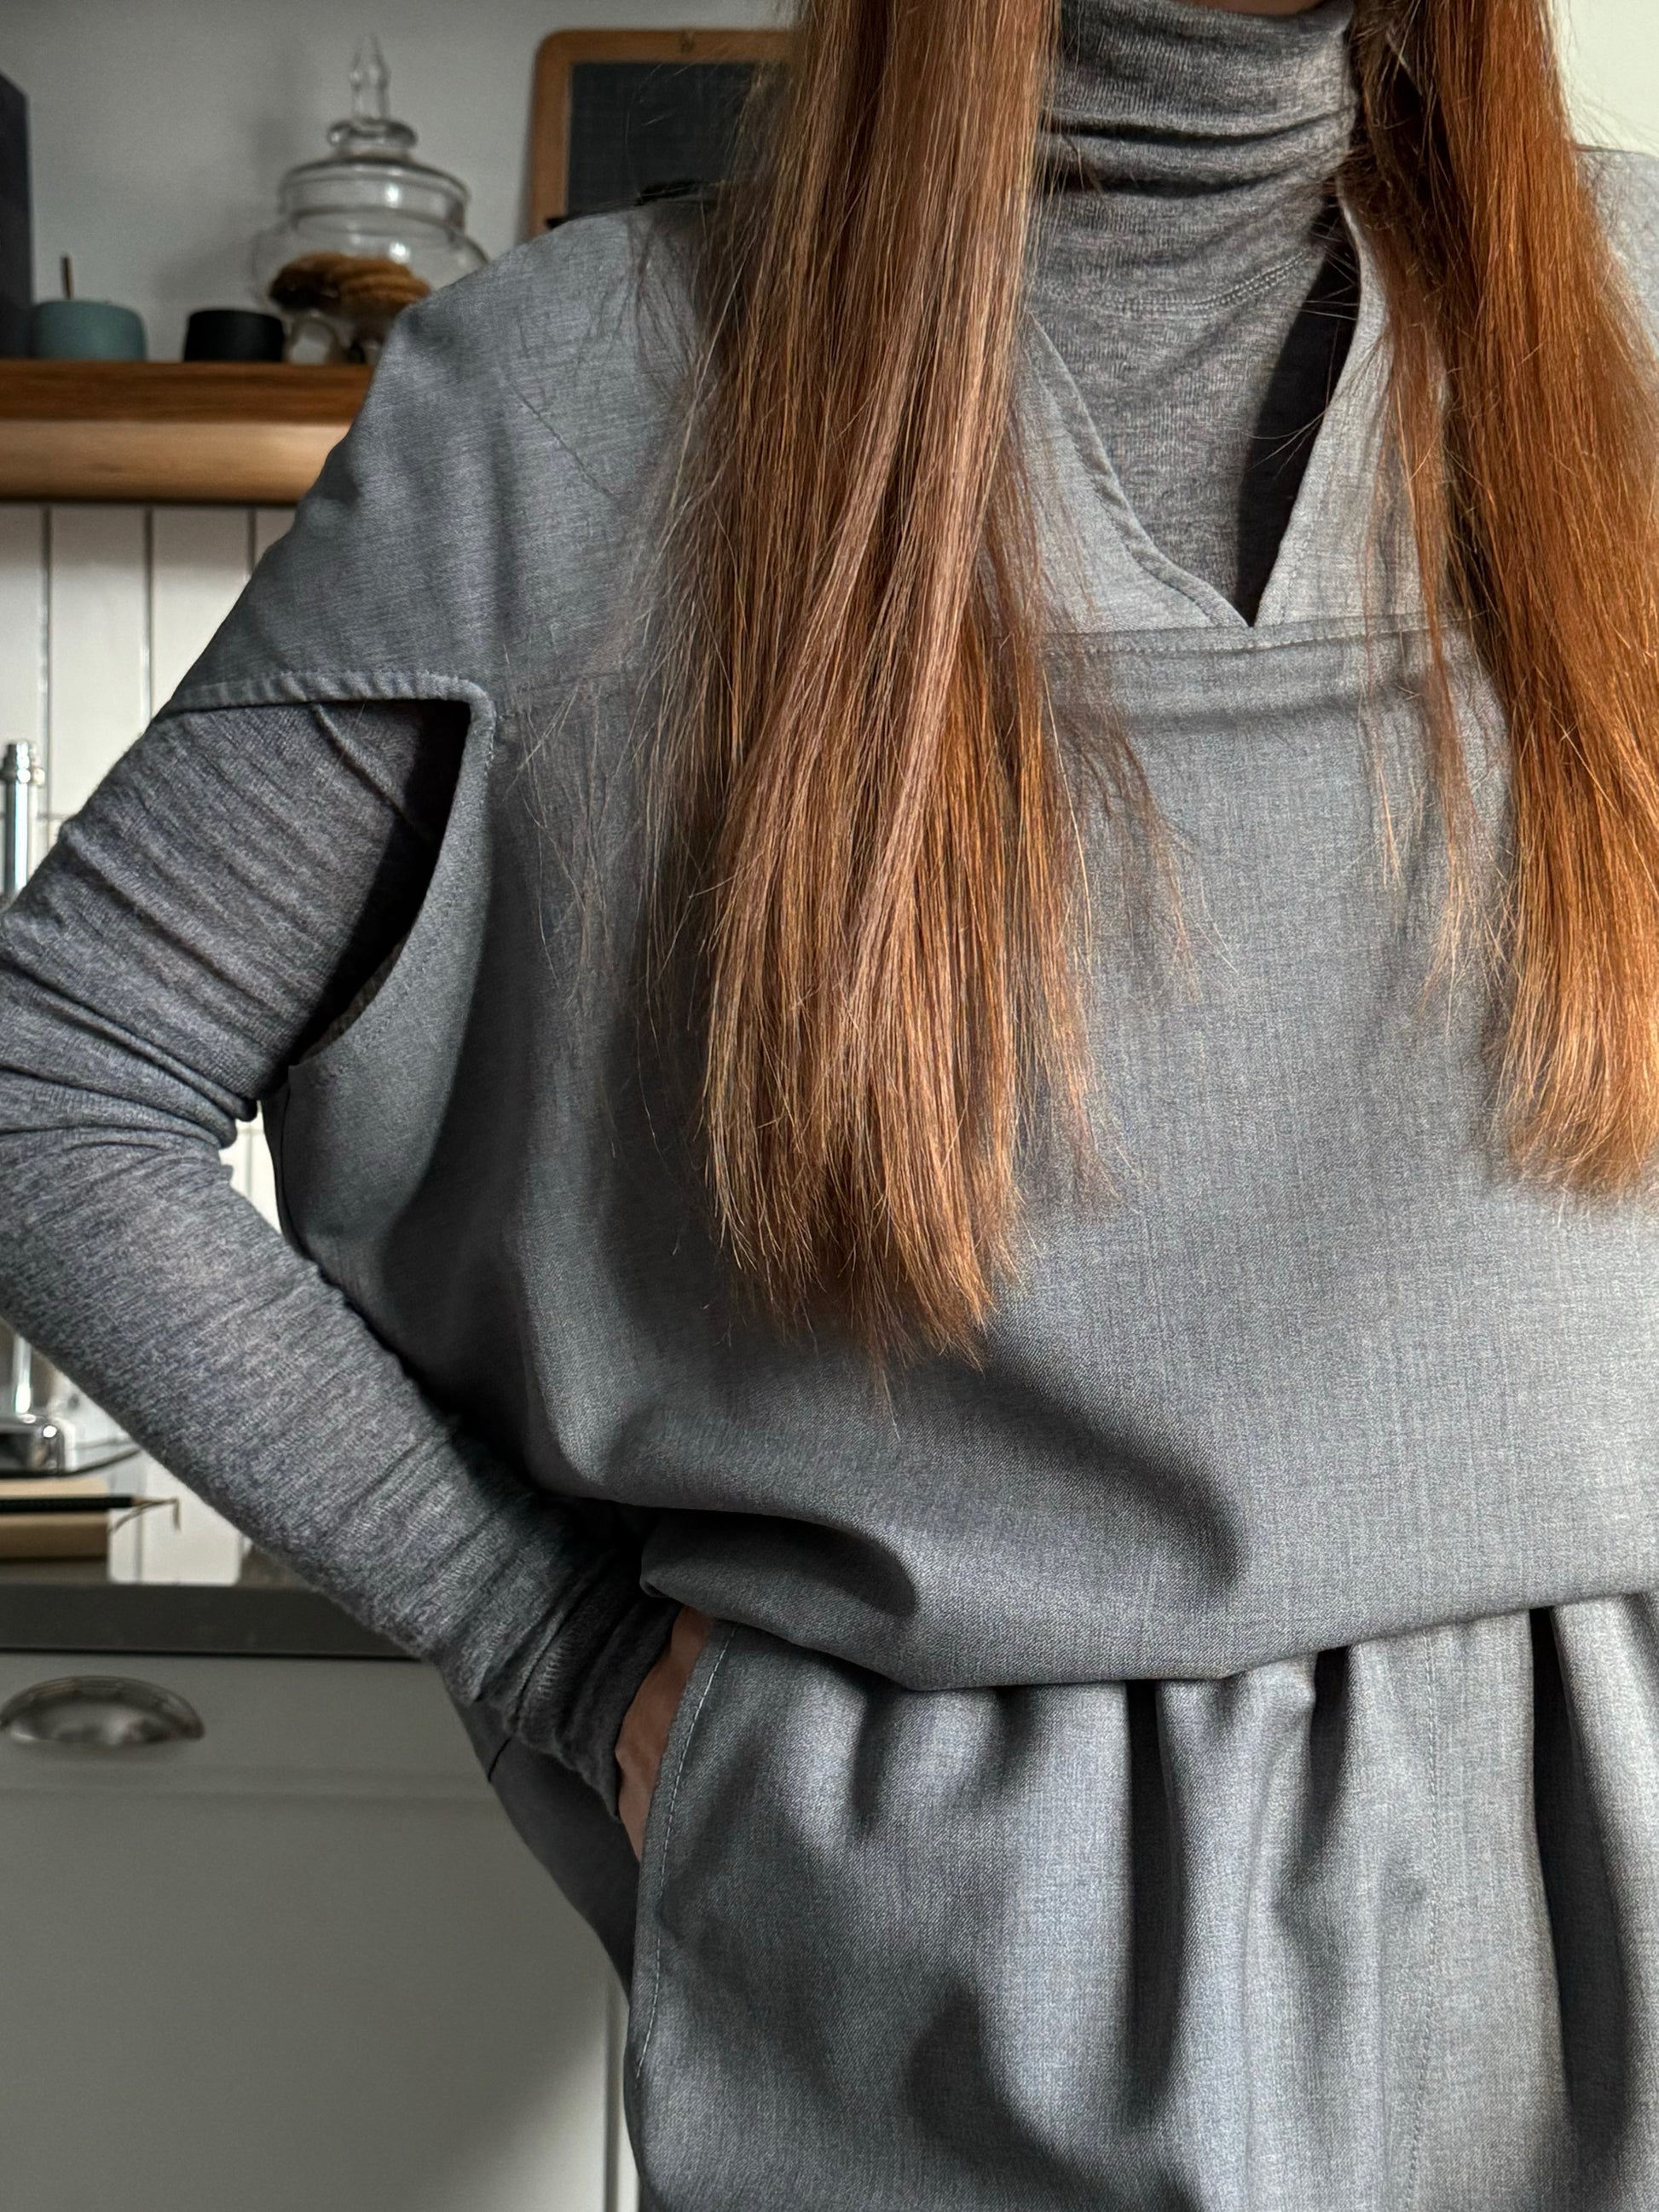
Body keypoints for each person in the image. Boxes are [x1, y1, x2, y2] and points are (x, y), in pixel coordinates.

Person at [4, 0, 1659, 2199]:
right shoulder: (586, 397)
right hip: (947, 1965)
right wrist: (548, 1641)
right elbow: (49, 1085)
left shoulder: (1637, 316)